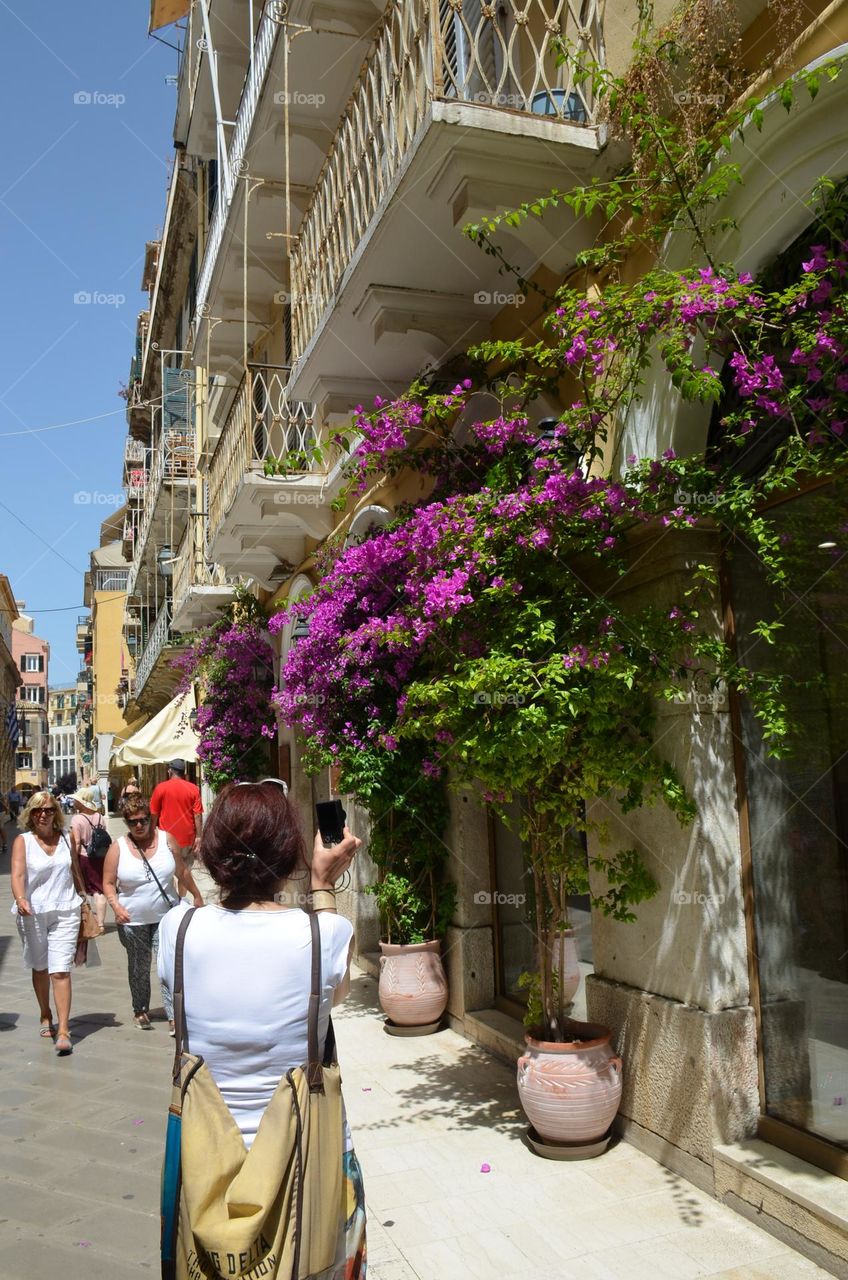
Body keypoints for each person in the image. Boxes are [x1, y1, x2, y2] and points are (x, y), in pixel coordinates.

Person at [157, 781, 366, 1275]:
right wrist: (322, 888)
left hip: (204, 1162)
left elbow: (175, 1022)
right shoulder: (323, 934)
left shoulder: (177, 930)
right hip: (308, 1158)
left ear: (212, 853)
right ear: (290, 852)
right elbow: (333, 997)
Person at [102, 795, 204, 1033]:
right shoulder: (118, 848)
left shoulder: (167, 839)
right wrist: (116, 907)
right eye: (132, 821)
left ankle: (173, 1015)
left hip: (165, 917)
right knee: (139, 967)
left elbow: (182, 871)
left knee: (166, 965)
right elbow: (107, 883)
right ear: (126, 823)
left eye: (143, 820)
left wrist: (196, 895)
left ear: (151, 818)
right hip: (132, 919)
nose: (139, 825)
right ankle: (140, 1010)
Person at [10, 790, 85, 1055]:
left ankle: (64, 1030)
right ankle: (45, 1013)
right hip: (33, 913)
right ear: (30, 814)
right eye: (37, 810)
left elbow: (75, 870)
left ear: (57, 813)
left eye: (49, 809)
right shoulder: (23, 841)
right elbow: (17, 874)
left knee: (60, 970)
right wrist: (20, 898)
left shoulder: (67, 837)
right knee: (40, 968)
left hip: (66, 909)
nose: (43, 814)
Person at [149, 759, 202, 867]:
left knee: (168, 873)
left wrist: (150, 834)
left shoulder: (160, 788)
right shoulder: (193, 789)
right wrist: (199, 836)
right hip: (187, 839)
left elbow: (154, 814)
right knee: (185, 873)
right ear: (183, 772)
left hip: (166, 840)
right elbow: (197, 815)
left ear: (171, 771)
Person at [70, 788, 108, 934]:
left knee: (82, 891)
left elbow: (77, 842)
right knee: (99, 891)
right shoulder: (100, 816)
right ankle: (101, 924)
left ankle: (86, 923)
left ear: (81, 802)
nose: (73, 802)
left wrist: (73, 859)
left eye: (76, 800)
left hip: (84, 857)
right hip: (100, 856)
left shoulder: (77, 819)